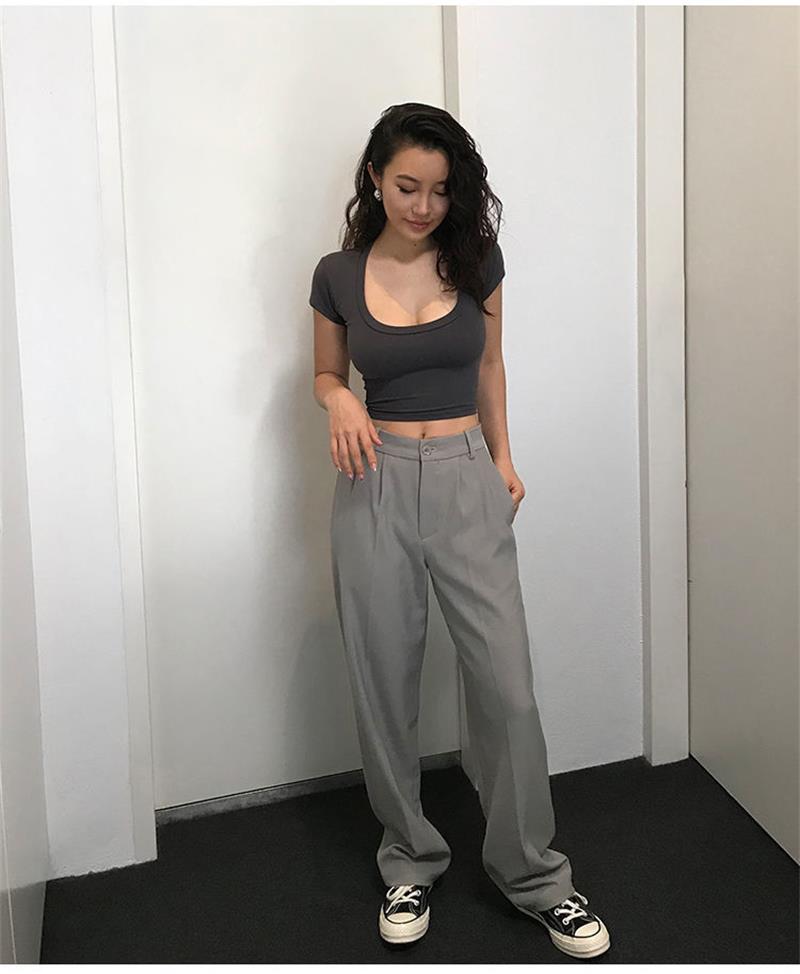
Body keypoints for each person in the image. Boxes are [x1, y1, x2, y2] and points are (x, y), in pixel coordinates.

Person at [309, 102, 610, 960]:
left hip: (467, 475)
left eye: (441, 190)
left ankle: (534, 874)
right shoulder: (337, 274)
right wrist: (338, 399)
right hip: (372, 483)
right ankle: (409, 858)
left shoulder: (476, 260)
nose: (424, 206)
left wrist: (504, 457)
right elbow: (325, 372)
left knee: (507, 687)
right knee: (383, 681)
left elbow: (490, 362)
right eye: (408, 186)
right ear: (376, 177)